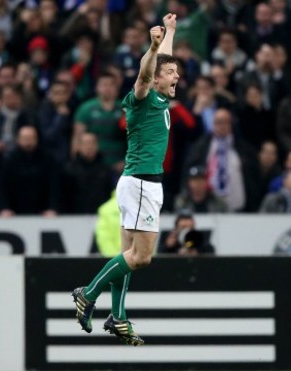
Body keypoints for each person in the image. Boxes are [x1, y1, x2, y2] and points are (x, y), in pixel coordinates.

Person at [72, 14, 178, 346]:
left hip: (138, 182)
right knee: (142, 257)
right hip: (142, 183)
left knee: (127, 254)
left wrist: (169, 33)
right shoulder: (143, 97)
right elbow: (148, 71)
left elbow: (160, 63)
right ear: (157, 79)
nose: (177, 77)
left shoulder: (160, 95)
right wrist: (152, 46)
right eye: (172, 74)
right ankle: (87, 293)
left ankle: (118, 316)